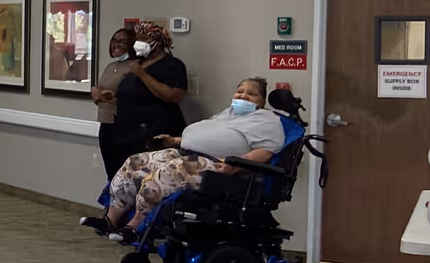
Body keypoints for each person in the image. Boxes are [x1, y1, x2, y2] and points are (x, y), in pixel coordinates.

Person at [91, 77, 287, 231]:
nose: (243, 96)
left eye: (251, 94)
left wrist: (236, 164)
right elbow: (207, 136)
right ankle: (111, 218)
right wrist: (174, 140)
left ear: (261, 101)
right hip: (187, 152)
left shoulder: (265, 120)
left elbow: (264, 152)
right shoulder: (227, 114)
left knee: (169, 171)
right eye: (240, 91)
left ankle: (134, 225)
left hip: (219, 165)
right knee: (136, 162)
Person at [107, 21, 187, 169]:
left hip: (153, 134)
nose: (139, 43)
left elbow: (173, 96)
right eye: (137, 38)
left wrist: (142, 75)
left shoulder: (172, 65)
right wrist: (114, 95)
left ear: (158, 42)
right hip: (126, 134)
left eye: (144, 38)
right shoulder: (138, 63)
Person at [88, 26, 139, 178]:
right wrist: (96, 91)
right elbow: (101, 92)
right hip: (105, 124)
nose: (116, 44)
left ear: (132, 44)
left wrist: (103, 95)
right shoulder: (111, 66)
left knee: (123, 175)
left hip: (122, 127)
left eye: (122, 41)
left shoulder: (135, 67)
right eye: (114, 41)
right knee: (111, 174)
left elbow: (129, 96)